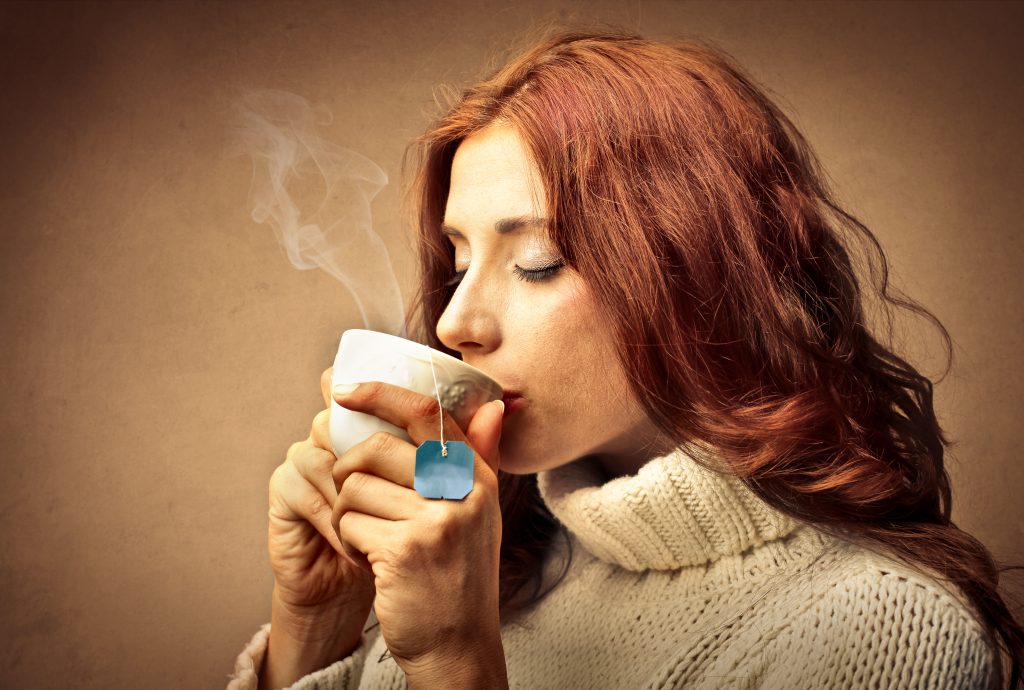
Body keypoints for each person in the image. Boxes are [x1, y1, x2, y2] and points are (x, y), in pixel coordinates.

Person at [228, 29, 1024, 689]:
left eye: (536, 259)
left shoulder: (886, 630)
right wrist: (315, 630)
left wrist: (453, 662)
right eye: (459, 259)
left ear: (695, 269)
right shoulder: (489, 569)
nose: (453, 322)